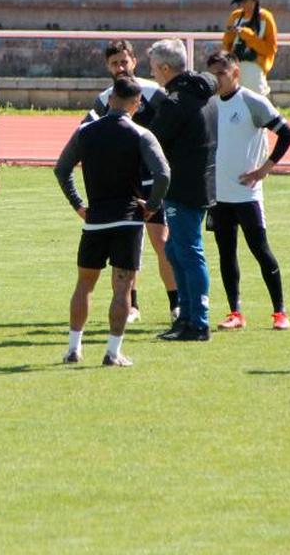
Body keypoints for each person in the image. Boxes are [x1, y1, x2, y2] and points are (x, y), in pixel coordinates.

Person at [55, 77, 171, 367]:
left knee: (84, 284)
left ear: (109, 100)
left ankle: (73, 348)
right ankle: (112, 352)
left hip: (95, 220)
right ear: (136, 104)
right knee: (122, 287)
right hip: (128, 220)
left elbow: (62, 169)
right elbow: (163, 174)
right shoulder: (140, 134)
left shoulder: (85, 132)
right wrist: (152, 206)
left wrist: (79, 204)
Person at [84, 39, 179, 323]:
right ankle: (131, 305)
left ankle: (176, 303)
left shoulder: (154, 93)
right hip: (124, 183)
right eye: (114, 63)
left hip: (153, 181)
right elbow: (84, 134)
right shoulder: (105, 99)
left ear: (134, 62)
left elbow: (176, 124)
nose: (120, 67)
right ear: (107, 66)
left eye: (124, 61)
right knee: (127, 245)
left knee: (161, 241)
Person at [206, 52, 290, 332]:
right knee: (226, 253)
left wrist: (264, 169)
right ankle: (235, 312)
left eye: (221, 73)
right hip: (218, 195)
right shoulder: (208, 104)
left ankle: (280, 312)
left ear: (235, 73)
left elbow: (288, 133)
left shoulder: (251, 101)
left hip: (246, 194)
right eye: (212, 74)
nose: (216, 79)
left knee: (260, 249)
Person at [146, 39, 219, 342]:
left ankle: (197, 322)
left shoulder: (176, 102)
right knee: (177, 250)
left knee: (188, 251)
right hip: (200, 183)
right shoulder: (203, 95)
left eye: (153, 70)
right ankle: (187, 317)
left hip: (184, 186)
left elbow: (153, 140)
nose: (152, 76)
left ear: (165, 68)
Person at [223, 0, 278, 96]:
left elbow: (271, 49)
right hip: (236, 68)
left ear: (254, 0)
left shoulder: (266, 18)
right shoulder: (235, 16)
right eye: (240, 3)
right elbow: (226, 45)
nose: (242, 6)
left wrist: (249, 37)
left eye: (245, 2)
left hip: (255, 70)